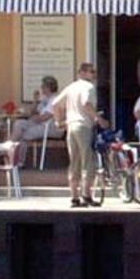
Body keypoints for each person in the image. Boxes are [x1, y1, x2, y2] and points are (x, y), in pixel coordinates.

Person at [48, 62, 101, 206]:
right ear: (82, 73)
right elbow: (86, 104)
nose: (94, 74)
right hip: (84, 126)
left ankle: (74, 197)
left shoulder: (71, 87)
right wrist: (98, 118)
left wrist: (59, 122)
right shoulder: (89, 87)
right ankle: (87, 195)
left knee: (74, 162)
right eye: (91, 71)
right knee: (88, 161)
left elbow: (55, 104)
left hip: (71, 126)